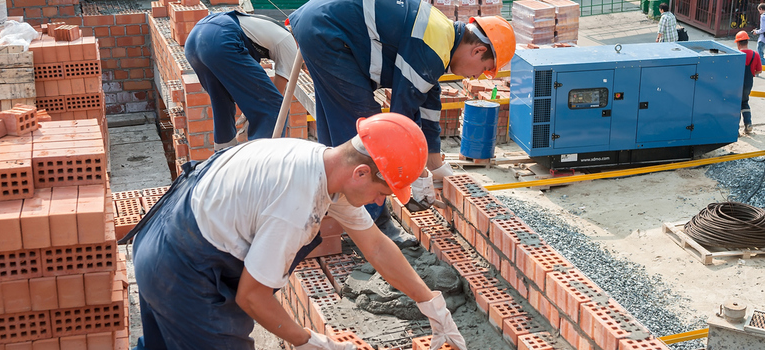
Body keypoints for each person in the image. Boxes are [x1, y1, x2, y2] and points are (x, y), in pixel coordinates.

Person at [125, 113, 467, 350]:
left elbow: (376, 245)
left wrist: (430, 302)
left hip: (164, 234)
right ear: (362, 173)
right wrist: (308, 340)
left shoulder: (324, 165)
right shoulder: (297, 203)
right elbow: (252, 296)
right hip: (181, 269)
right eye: (384, 192)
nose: (380, 201)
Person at [288, 0, 515, 242]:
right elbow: (398, 120)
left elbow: (428, 106)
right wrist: (413, 176)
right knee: (365, 127)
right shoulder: (433, 48)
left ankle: (331, 203)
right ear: (478, 50)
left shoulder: (442, 37)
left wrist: (436, 166)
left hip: (318, 24)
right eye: (483, 68)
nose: (476, 76)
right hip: (326, 32)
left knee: (337, 122)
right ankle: (376, 226)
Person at [185, 11, 298, 151]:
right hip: (221, 38)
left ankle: (223, 156)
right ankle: (260, 164)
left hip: (195, 39)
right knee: (273, 108)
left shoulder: (270, 26)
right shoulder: (291, 44)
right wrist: (256, 115)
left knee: (222, 102)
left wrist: (251, 110)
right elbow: (275, 98)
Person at [735, 31, 762, 135]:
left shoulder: (737, 55)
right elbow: (759, 71)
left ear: (738, 43)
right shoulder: (755, 54)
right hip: (748, 83)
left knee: (736, 104)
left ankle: (735, 129)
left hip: (736, 84)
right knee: (744, 102)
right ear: (747, 41)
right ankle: (748, 124)